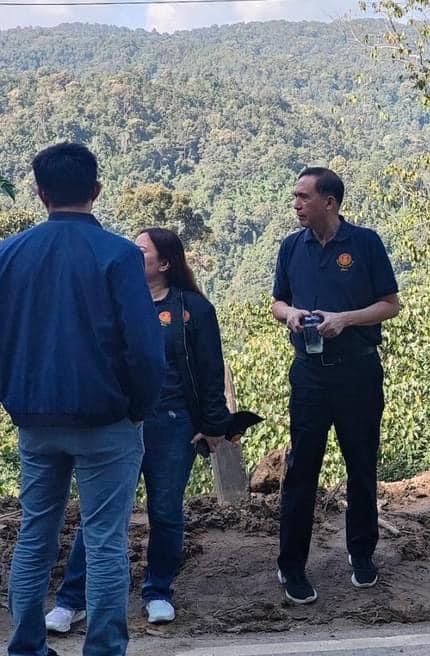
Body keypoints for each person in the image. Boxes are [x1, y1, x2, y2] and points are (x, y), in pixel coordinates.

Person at [0, 143, 165, 656]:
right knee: (105, 541)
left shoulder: (9, 253)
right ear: (96, 189)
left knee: (35, 535)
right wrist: (138, 407)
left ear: (40, 193)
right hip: (106, 421)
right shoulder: (118, 254)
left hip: (35, 418)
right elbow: (145, 348)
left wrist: (14, 398)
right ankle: (104, 648)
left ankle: (25, 647)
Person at [45, 227, 231, 631]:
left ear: (164, 263)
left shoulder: (194, 309)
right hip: (119, 422)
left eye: (141, 251)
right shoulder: (114, 300)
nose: (131, 254)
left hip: (173, 423)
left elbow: (210, 369)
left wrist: (213, 424)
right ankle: (72, 600)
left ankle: (158, 592)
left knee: (165, 511)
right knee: (100, 512)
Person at [271, 166, 400, 604]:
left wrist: (345, 319)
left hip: (358, 371)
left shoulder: (365, 243)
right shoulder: (292, 246)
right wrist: (290, 314)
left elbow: (390, 305)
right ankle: (291, 564)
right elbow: (277, 301)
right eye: (295, 197)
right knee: (301, 468)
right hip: (308, 373)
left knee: (361, 465)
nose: (296, 204)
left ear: (330, 202)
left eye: (303, 197)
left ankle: (361, 553)